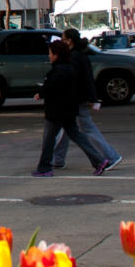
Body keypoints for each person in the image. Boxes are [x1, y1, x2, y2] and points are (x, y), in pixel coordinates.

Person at [35, 39, 108, 177]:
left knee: (49, 139)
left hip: (56, 111)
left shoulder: (57, 71)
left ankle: (44, 167)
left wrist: (41, 93)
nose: (49, 56)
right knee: (77, 136)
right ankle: (99, 161)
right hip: (69, 109)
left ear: (56, 55)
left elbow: (51, 87)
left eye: (50, 53)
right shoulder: (70, 68)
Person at [51, 28, 119, 172]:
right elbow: (87, 78)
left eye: (63, 39)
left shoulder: (74, 56)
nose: (62, 42)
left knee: (85, 128)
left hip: (77, 99)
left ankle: (111, 156)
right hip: (78, 98)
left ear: (69, 41)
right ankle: (57, 159)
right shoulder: (79, 55)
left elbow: (77, 79)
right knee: (67, 128)